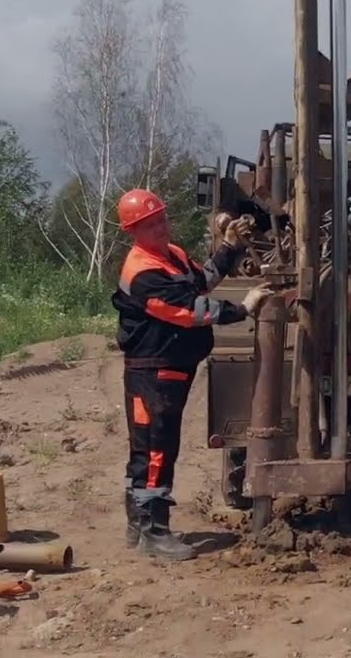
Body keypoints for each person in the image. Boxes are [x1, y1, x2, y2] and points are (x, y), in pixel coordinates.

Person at [110, 188, 274, 561]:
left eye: (162, 220)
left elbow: (202, 280)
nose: (161, 228)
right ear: (133, 231)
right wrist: (243, 308)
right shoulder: (142, 272)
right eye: (150, 225)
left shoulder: (172, 256)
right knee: (155, 450)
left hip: (170, 369)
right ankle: (154, 531)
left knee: (151, 448)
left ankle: (138, 526)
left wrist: (229, 247)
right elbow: (191, 309)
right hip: (152, 372)